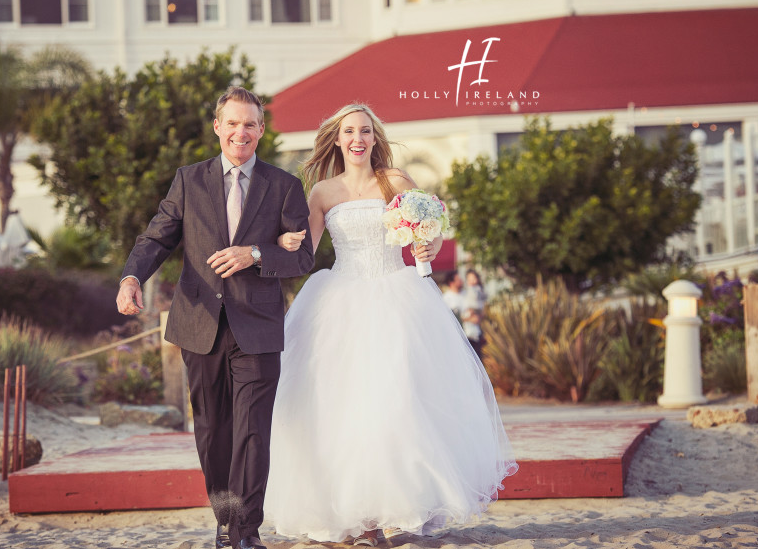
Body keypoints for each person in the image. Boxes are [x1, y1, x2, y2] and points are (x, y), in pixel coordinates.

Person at [266, 103, 516, 546]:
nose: (358, 138)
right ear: (338, 139)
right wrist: (282, 242)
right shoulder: (322, 191)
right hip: (338, 299)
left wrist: (427, 245)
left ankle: (390, 511)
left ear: (375, 138)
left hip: (396, 297)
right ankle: (354, 519)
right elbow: (305, 254)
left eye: (365, 130)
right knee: (341, 405)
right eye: (349, 131)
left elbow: (433, 232)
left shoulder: (396, 182)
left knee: (394, 400)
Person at [116, 86, 315, 549]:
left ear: (261, 131)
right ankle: (226, 520)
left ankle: (246, 531)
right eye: (232, 123)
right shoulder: (189, 180)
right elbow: (157, 238)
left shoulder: (283, 186)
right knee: (212, 431)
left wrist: (255, 254)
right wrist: (131, 279)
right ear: (217, 127)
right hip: (199, 323)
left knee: (252, 430)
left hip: (259, 327)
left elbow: (303, 256)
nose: (240, 132)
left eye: (250, 124)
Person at [462, 268, 489, 358]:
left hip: (475, 326)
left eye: (473, 279)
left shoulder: (478, 291)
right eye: (469, 279)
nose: (471, 281)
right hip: (467, 325)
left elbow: (481, 310)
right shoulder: (465, 291)